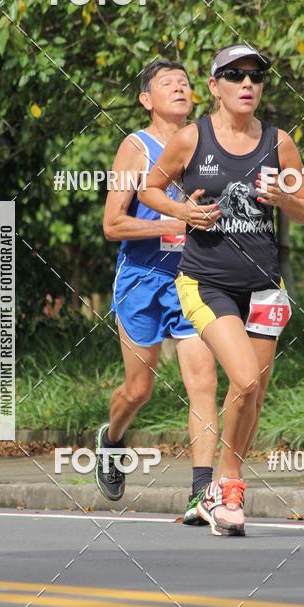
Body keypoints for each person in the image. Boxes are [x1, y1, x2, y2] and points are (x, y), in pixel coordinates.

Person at [139, 44, 304, 536]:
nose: (247, 84)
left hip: (265, 287)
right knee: (244, 378)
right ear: (214, 86)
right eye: (235, 75)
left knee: (252, 394)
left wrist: (285, 198)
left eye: (256, 77)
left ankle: (219, 490)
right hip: (206, 282)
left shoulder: (279, 142)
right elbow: (149, 189)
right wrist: (182, 211)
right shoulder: (191, 139)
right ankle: (229, 485)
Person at [97, 59, 218, 525]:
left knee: (203, 383)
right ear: (146, 99)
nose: (180, 88)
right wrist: (175, 223)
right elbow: (113, 225)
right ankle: (112, 439)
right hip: (142, 279)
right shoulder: (136, 148)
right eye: (168, 84)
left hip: (192, 278)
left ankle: (201, 493)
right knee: (139, 389)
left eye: (185, 83)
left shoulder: (206, 144)